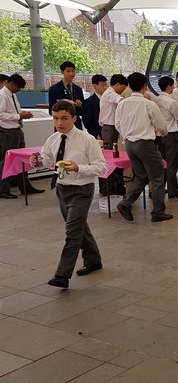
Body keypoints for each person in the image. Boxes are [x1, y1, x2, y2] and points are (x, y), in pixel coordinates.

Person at [32, 100, 106, 288]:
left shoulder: (87, 140)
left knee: (72, 233)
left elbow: (101, 167)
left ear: (74, 118)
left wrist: (78, 167)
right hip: (62, 188)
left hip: (82, 190)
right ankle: (94, 259)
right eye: (55, 118)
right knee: (79, 227)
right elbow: (47, 159)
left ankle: (62, 275)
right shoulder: (53, 139)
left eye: (64, 118)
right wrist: (37, 161)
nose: (59, 123)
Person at [115, 72, 171, 223]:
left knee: (142, 175)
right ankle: (158, 211)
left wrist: (127, 135)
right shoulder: (148, 104)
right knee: (157, 176)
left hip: (129, 144)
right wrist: (161, 133)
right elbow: (162, 126)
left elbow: (118, 124)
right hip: (145, 143)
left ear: (129, 85)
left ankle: (126, 202)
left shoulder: (122, 104)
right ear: (145, 86)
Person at [0, 74, 41, 199]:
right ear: (11, 84)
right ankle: (3, 189)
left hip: (17, 129)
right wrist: (19, 116)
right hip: (8, 131)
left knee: (21, 159)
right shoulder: (2, 95)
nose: (18, 90)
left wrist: (22, 114)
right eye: (18, 88)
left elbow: (11, 111)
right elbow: (1, 114)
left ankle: (25, 186)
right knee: (7, 160)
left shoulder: (12, 94)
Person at [154, 76, 178, 199]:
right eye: (173, 85)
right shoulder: (171, 102)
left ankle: (159, 189)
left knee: (162, 163)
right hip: (170, 134)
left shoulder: (156, 100)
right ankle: (173, 190)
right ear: (169, 86)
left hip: (158, 134)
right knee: (172, 163)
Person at [48, 61, 84, 129]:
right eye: (68, 71)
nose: (71, 73)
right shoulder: (54, 89)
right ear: (62, 72)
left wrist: (79, 106)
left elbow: (82, 111)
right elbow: (51, 110)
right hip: (61, 125)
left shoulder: (78, 89)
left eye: (73, 71)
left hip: (76, 125)